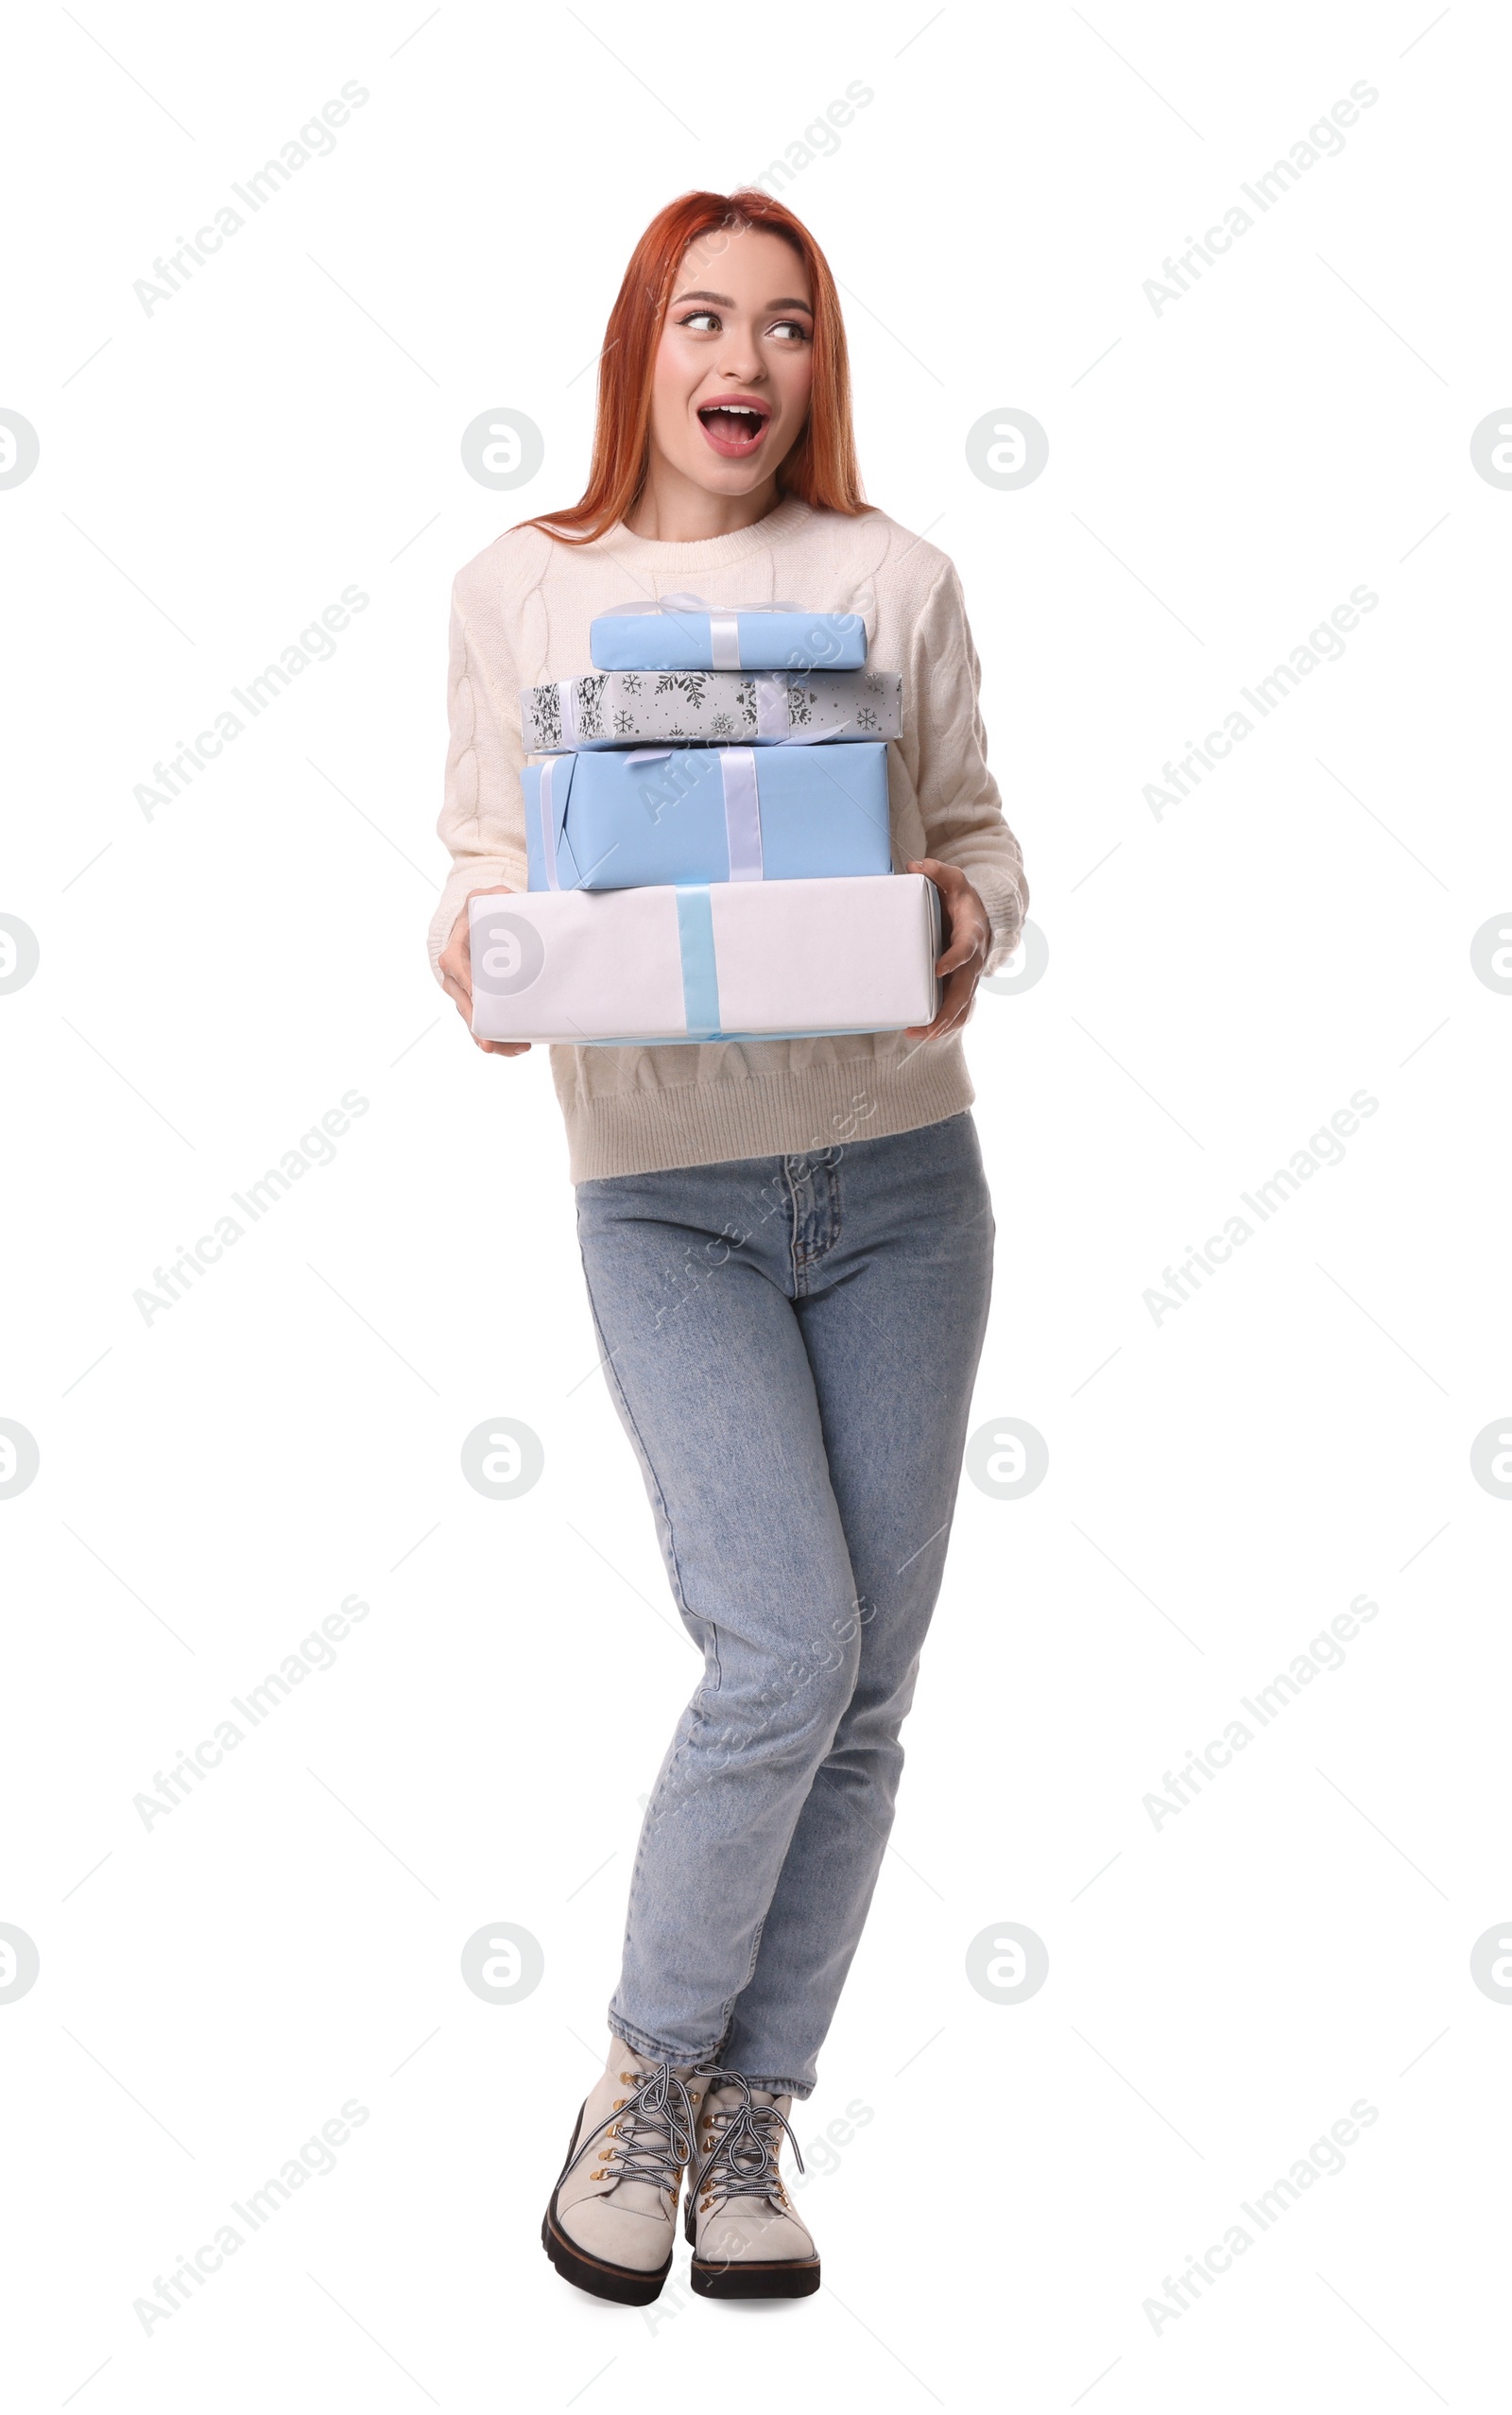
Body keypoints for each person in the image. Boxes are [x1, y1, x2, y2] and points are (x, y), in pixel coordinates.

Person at [429, 188, 1028, 2305]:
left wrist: (958, 923)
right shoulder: (523, 587)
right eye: (706, 318)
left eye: (785, 327)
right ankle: (643, 2074)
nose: (746, 363)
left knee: (862, 1693)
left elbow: (968, 841)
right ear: (641, 346)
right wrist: (479, 956)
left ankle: (751, 2122)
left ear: (817, 363)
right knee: (780, 1648)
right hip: (661, 1192)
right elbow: (486, 859)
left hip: (896, 1188)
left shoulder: (893, 579)